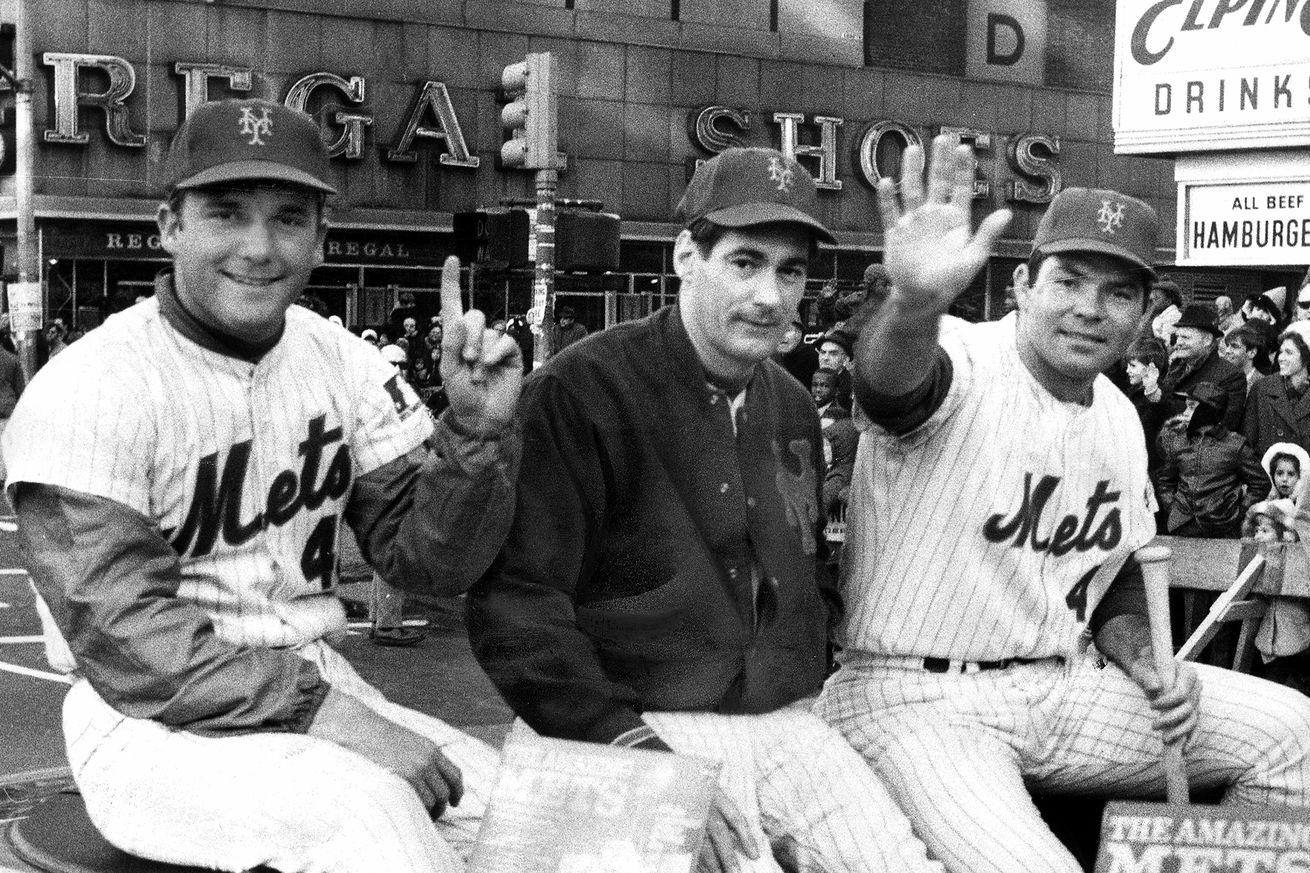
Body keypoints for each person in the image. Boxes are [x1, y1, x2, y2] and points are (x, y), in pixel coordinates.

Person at [2, 98, 524, 873]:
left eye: (288, 217)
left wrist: (474, 435)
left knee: (532, 819)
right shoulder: (89, 386)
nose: (258, 246)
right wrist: (328, 714)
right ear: (169, 225)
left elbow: (427, 563)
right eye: (225, 214)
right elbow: (124, 636)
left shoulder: (344, 361)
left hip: (321, 686)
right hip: (149, 725)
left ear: (321, 237)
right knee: (376, 825)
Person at [815, 136, 1310, 873]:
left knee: (1292, 731)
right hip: (913, 697)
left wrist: (1147, 662)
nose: (1090, 309)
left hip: (1062, 684)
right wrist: (914, 302)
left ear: (1145, 313)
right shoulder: (957, 355)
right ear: (1022, 285)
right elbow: (889, 391)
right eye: (1070, 281)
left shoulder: (1116, 417)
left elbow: (1112, 587)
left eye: (1118, 293)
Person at [468, 146, 941, 873]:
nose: (770, 296)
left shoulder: (788, 402)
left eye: (791, 270)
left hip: (778, 722)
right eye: (745, 262)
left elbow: (805, 574)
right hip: (616, 721)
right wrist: (633, 753)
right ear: (688, 254)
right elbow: (518, 604)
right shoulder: (581, 387)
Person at [1155, 381, 1267, 538]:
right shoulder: (1179, 442)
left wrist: (1237, 512)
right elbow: (1165, 481)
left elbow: (1260, 484)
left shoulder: (1235, 445)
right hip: (1182, 525)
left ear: (1208, 411)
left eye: (1192, 407)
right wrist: (1173, 507)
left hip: (1221, 528)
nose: (1185, 412)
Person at [1160, 302, 1247, 432]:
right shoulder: (1173, 368)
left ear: (1206, 340)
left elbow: (1224, 427)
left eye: (1185, 337)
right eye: (1177, 336)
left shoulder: (1231, 376)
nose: (1178, 343)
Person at [1244, 322, 1310, 462]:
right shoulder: (1262, 388)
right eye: (1281, 352)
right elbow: (1248, 441)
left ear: (1306, 357)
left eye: (1289, 352)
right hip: (1267, 477)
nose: (1281, 358)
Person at [775, 318, 819, 388]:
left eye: (787, 330)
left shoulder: (809, 358)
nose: (782, 335)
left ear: (799, 334)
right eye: (778, 330)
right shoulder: (769, 356)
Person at [1148, 276, 1182, 344]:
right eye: (1152, 298)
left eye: (1156, 298)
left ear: (1168, 301)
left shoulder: (1173, 316)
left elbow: (1167, 344)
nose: (1152, 301)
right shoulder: (1160, 316)